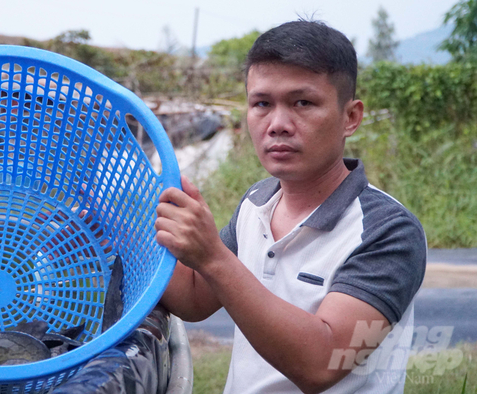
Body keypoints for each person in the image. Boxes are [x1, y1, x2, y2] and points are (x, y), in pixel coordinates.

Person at [156, 20, 426, 393]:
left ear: (351, 117)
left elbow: (321, 362)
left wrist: (213, 256)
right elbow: (194, 298)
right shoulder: (257, 201)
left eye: (303, 103)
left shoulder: (388, 229)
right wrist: (117, 231)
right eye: (262, 104)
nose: (278, 124)